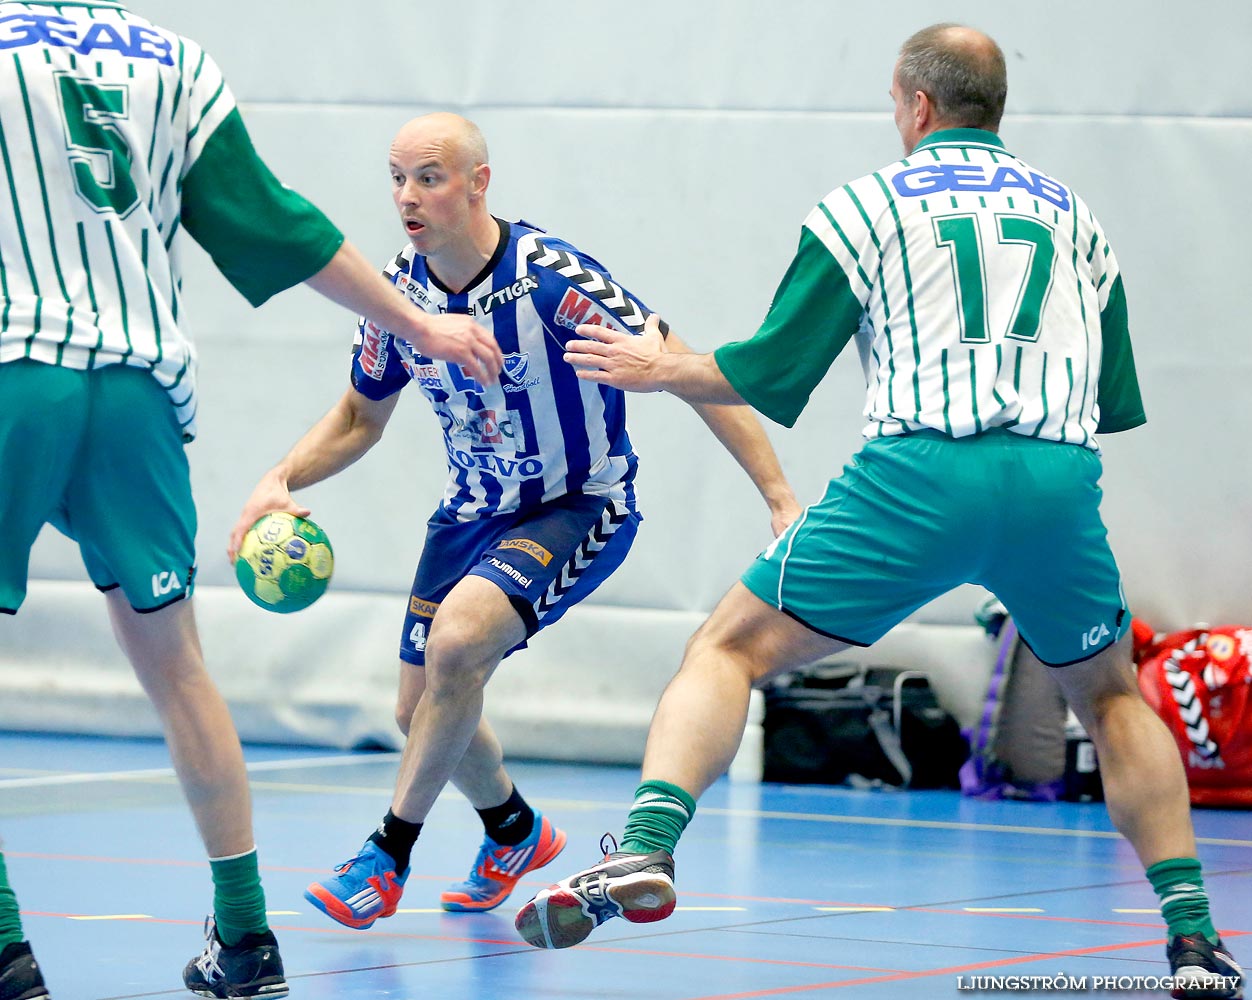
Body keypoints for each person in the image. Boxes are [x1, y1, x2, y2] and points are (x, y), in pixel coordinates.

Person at [514, 23, 1244, 1000]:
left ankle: (647, 845)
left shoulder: (865, 204)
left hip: (919, 470)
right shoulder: (1075, 216)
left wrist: (662, 367)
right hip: (1056, 479)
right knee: (1110, 694)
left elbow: (774, 365)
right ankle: (1195, 942)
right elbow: (1112, 398)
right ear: (997, 106)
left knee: (726, 649)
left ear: (913, 105)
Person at [0, 4, 502, 999]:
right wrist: (419, 324)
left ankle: (8, 952)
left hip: (11, 369)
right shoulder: (171, 60)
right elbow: (274, 224)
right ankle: (244, 941)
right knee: (178, 668)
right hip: (134, 392)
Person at [229, 111, 801, 931]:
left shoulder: (553, 280)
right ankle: (514, 831)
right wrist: (277, 476)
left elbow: (688, 370)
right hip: (471, 512)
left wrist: (778, 497)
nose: (407, 197)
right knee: (416, 707)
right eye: (396, 178)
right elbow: (360, 417)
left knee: (459, 642)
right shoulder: (400, 292)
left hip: (578, 505)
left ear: (478, 183)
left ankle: (387, 853)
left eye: (428, 177)